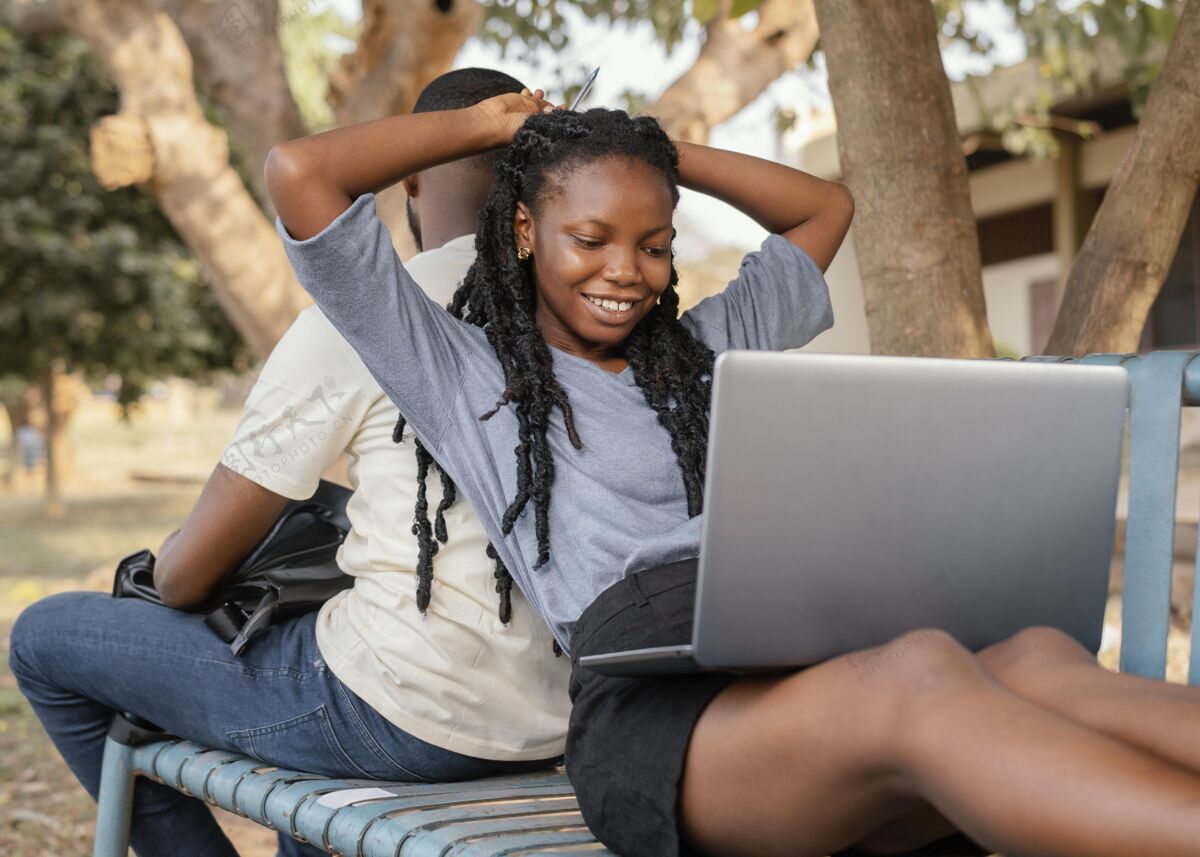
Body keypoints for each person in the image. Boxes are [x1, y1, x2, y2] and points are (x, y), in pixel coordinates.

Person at [264, 90, 1200, 857]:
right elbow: (301, 174)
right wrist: (499, 128)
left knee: (1039, 657)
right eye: (591, 238)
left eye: (654, 241)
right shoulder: (463, 370)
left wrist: (653, 153)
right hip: (658, 706)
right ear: (521, 232)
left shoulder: (713, 349)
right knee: (917, 676)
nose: (625, 270)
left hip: (802, 647)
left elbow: (823, 208)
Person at [8, 69, 572, 857]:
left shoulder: (376, 307)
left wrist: (170, 570)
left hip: (405, 715)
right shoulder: (588, 314)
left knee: (44, 636)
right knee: (317, 626)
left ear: (409, 176)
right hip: (555, 718)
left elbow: (184, 579)